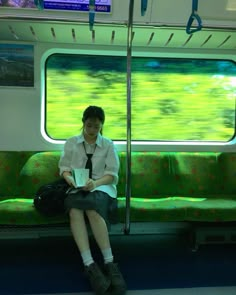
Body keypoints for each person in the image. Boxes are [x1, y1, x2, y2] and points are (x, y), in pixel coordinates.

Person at [59, 106, 126, 295]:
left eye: (96, 127)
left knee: (91, 209)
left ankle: (109, 261)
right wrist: (70, 179)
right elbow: (64, 168)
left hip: (101, 185)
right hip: (76, 185)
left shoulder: (108, 145)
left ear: (101, 126)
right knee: (74, 210)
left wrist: (95, 183)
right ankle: (89, 264)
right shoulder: (72, 143)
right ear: (83, 123)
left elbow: (112, 175)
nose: (92, 130)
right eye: (89, 126)